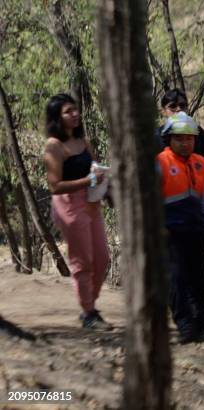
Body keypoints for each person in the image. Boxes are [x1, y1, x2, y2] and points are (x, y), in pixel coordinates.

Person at [43, 93, 111, 330]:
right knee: (82, 261)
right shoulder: (53, 146)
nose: (74, 115)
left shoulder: (83, 141)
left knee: (102, 258)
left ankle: (89, 304)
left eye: (75, 110)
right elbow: (54, 185)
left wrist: (105, 187)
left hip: (92, 202)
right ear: (57, 117)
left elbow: (95, 167)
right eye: (68, 111)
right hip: (69, 205)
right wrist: (87, 180)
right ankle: (89, 312)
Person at [157, 111, 204, 343]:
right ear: (169, 139)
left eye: (190, 138)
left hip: (196, 230)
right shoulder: (160, 163)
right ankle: (185, 326)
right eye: (179, 138)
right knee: (177, 280)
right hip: (170, 233)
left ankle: (199, 322)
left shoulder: (200, 162)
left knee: (199, 279)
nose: (185, 143)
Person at [156, 88, 204, 173]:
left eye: (182, 106)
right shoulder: (156, 136)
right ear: (163, 111)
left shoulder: (197, 131)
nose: (178, 109)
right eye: (173, 106)